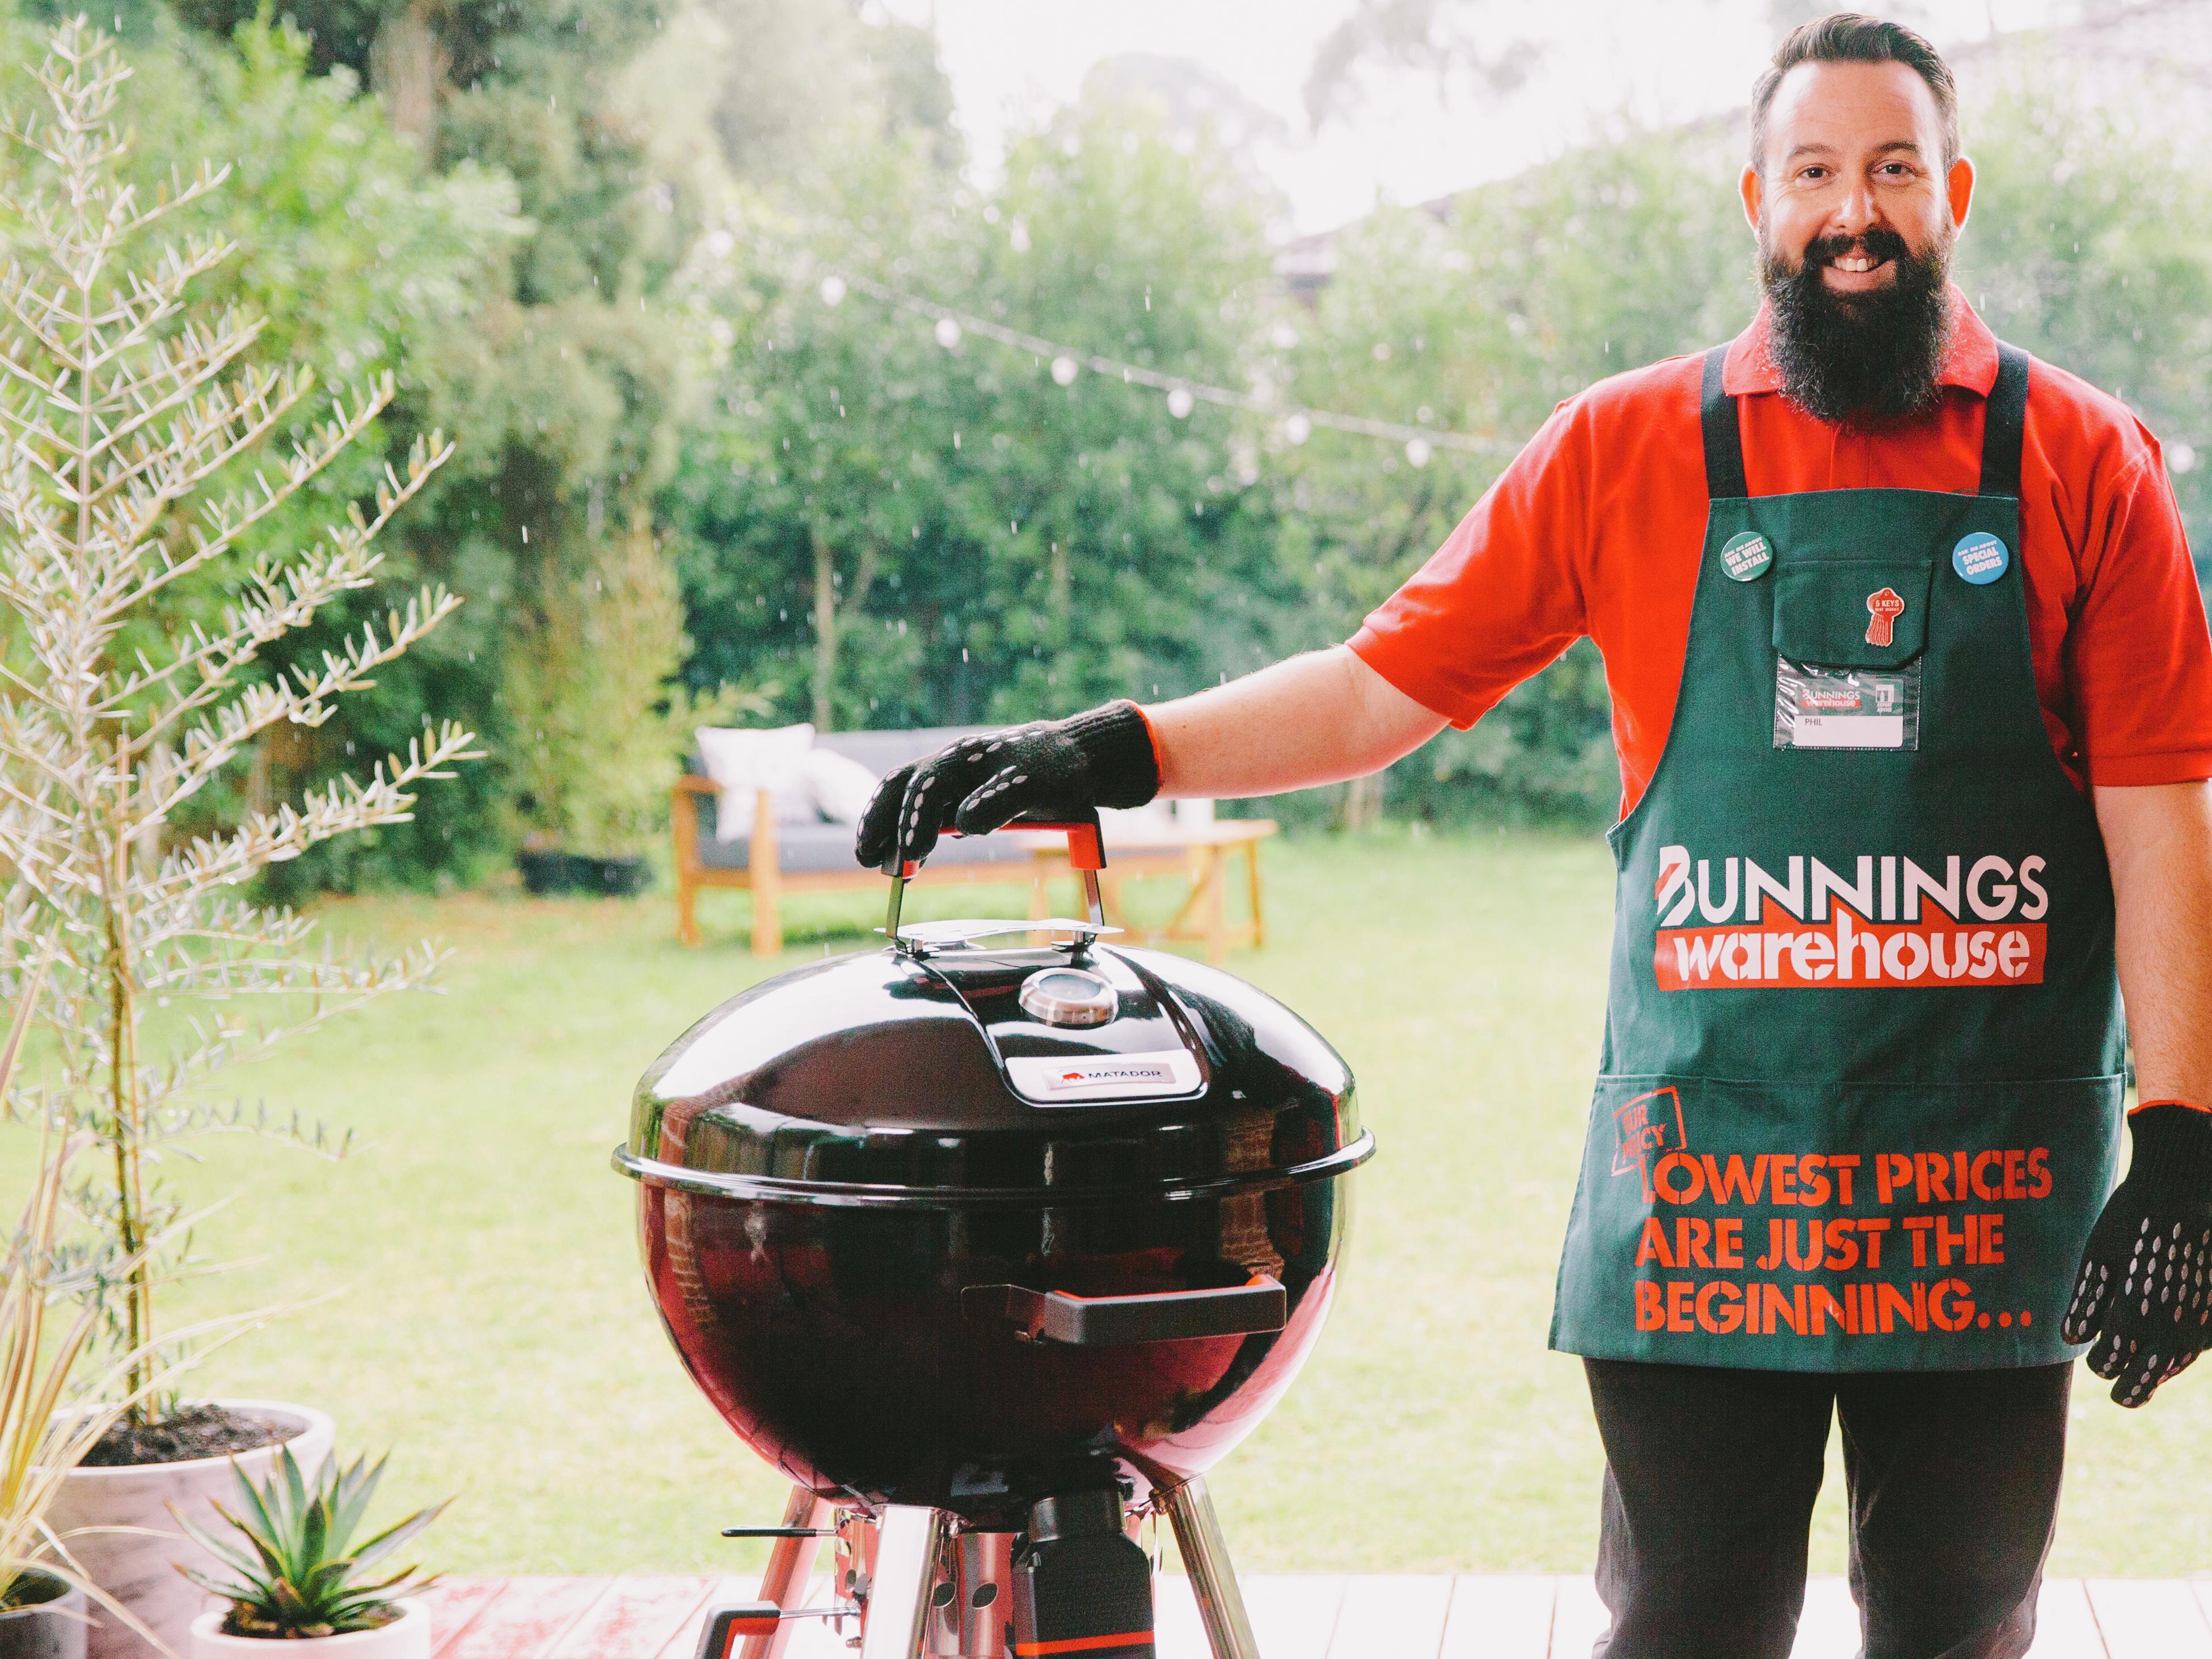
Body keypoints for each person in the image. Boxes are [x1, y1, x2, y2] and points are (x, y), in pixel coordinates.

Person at [852, 15, 2212, 1657]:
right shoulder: (1622, 447)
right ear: (1754, 202)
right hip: (1712, 1190)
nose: (1853, 212)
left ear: (1953, 194)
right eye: (1814, 173)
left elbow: (2161, 820)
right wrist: (1114, 751)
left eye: (1892, 170)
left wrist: (2186, 1140)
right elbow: (1378, 689)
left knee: (1959, 1621)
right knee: (1688, 1622)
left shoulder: (2087, 461)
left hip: (1989, 1187)